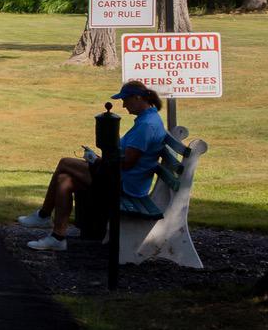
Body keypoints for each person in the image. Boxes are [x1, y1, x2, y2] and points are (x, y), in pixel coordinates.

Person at [19, 81, 167, 251]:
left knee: (64, 163)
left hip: (124, 185)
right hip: (122, 179)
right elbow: (124, 157)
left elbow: (126, 164)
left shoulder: (146, 125)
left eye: (126, 100)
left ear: (138, 97)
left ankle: (43, 215)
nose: (124, 105)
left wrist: (97, 161)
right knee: (64, 180)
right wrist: (99, 159)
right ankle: (58, 237)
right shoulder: (147, 119)